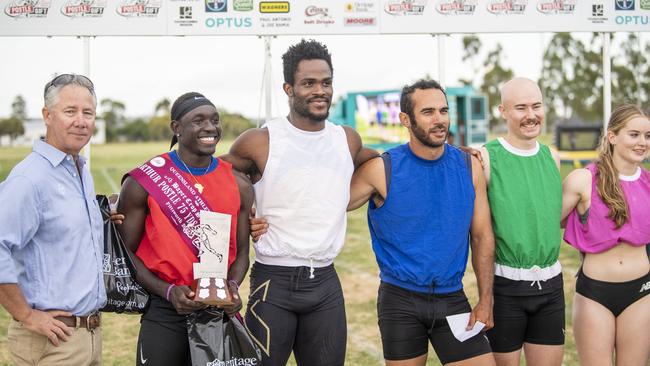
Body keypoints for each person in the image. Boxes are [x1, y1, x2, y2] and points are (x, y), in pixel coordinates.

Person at [221, 39, 374, 366]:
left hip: (326, 284)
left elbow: (385, 161)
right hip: (273, 284)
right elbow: (210, 176)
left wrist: (452, 153)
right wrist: (244, 212)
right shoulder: (260, 141)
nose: (320, 90)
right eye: (309, 83)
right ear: (288, 88)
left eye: (326, 82)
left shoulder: (346, 139)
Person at [347, 79, 496, 365]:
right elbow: (328, 206)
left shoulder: (469, 166)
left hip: (452, 297)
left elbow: (482, 236)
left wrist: (486, 298)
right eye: (428, 112)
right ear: (406, 119)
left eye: (443, 110)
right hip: (399, 300)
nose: (439, 119)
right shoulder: (382, 169)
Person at [117, 92, 254, 366]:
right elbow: (124, 252)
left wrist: (232, 289)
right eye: (198, 120)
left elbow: (241, 254)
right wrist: (167, 291)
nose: (210, 128)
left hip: (217, 312)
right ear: (176, 128)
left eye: (215, 120)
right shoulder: (144, 181)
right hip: (164, 310)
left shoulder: (239, 184)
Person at [0, 74, 106, 365]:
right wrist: (25, 315)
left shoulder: (78, 168)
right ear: (47, 116)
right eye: (70, 111)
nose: (81, 121)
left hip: (89, 336)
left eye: (88, 113)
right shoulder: (29, 179)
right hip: (53, 341)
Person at [478, 77, 564, 366]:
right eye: (521, 108)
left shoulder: (552, 157)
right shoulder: (487, 157)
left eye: (536, 106)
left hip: (551, 287)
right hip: (506, 289)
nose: (531, 115)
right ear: (503, 111)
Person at [561, 104, 650, 366]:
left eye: (647, 136)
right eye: (634, 135)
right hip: (595, 294)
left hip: (641, 292)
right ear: (612, 136)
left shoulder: (648, 184)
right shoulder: (582, 180)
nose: (642, 142)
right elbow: (546, 223)